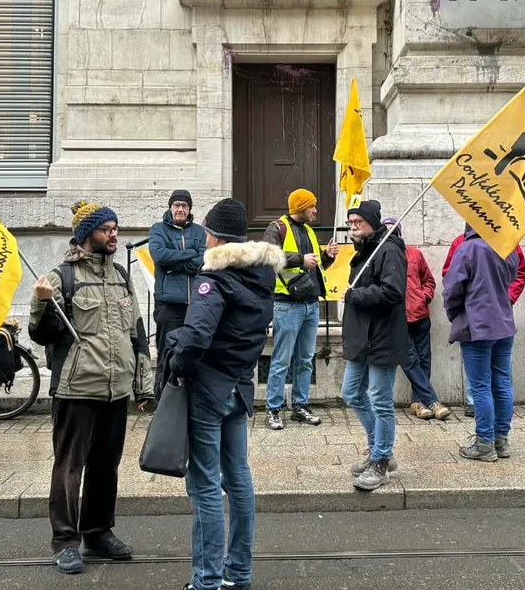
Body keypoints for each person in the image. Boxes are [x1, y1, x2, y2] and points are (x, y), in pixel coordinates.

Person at [28, 201, 154, 575]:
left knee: (105, 466)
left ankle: (98, 532)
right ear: (86, 236)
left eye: (115, 228)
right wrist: (39, 304)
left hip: (115, 390)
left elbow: (136, 332)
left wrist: (142, 382)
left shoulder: (120, 275)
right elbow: (42, 334)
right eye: (106, 229)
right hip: (76, 388)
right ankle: (65, 540)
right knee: (70, 467)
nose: (114, 234)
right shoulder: (62, 277)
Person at [165, 198, 281, 590]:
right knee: (239, 476)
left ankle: (207, 580)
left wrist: (178, 368)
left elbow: (198, 334)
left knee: (204, 485)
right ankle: (239, 573)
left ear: (213, 236)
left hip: (209, 389)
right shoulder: (259, 277)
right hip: (239, 385)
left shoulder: (211, 278)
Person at [341, 199, 407, 492]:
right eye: (351, 223)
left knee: (380, 400)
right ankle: (378, 448)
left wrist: (356, 296)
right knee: (351, 393)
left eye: (358, 223)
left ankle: (380, 461)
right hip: (362, 338)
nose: (353, 228)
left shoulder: (388, 250)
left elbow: (393, 291)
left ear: (372, 223)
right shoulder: (366, 250)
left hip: (382, 337)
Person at [261, 188, 338, 430]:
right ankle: (273, 409)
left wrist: (327, 256)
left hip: (310, 304)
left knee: (305, 359)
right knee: (281, 359)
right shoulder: (276, 228)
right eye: (312, 206)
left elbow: (314, 266)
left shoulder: (309, 231)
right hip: (287, 304)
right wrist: (300, 259)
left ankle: (300, 406)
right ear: (301, 207)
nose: (316, 210)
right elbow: (269, 255)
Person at [443, 228, 521, 462]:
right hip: (504, 322)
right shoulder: (508, 245)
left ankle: (484, 443)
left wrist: (454, 313)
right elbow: (514, 275)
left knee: (480, 386)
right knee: (502, 383)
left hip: (477, 325)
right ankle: (501, 440)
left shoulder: (468, 248)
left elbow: (452, 288)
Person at [381, 216, 449, 421]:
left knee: (424, 359)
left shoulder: (414, 253)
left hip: (419, 314)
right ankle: (433, 401)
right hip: (397, 318)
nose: (390, 233)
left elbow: (428, 280)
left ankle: (418, 403)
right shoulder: (381, 255)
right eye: (386, 229)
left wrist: (424, 296)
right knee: (410, 361)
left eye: (394, 229)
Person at [148, 189, 207, 388]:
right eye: (176, 205)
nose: (180, 209)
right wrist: (189, 253)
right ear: (170, 207)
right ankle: (162, 401)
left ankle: (189, 401)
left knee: (194, 353)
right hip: (168, 305)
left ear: (190, 209)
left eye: (184, 206)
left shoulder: (199, 232)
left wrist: (175, 263)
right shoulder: (158, 229)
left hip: (195, 304)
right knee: (166, 353)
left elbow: (203, 261)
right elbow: (159, 257)